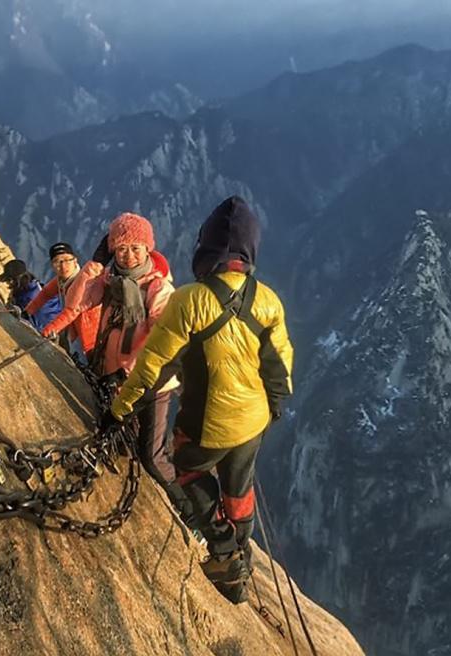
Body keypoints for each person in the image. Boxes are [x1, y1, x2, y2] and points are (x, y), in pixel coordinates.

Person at [104, 196, 294, 604]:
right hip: (253, 420)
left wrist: (119, 411)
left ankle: (224, 555)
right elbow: (280, 363)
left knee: (188, 472)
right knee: (238, 486)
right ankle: (240, 549)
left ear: (206, 247)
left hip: (207, 423)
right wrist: (275, 405)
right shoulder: (268, 300)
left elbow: (153, 366)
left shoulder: (189, 300)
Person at [43, 213, 191, 520]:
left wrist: (129, 372)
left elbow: (164, 340)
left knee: (151, 456)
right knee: (125, 446)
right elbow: (76, 302)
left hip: (149, 385)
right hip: (112, 378)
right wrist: (95, 265)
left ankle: (186, 508)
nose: (129, 254)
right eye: (121, 248)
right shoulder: (108, 283)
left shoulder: (158, 290)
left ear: (149, 249)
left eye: (136, 247)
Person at [25, 242, 100, 362]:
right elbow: (45, 294)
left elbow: (71, 312)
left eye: (67, 260)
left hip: (96, 334)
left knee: (99, 363)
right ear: (52, 265)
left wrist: (47, 332)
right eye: (57, 261)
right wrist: (28, 311)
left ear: (75, 261)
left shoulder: (83, 282)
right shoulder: (62, 281)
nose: (63, 265)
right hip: (87, 332)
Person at [0, 259, 60, 331]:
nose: (7, 283)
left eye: (8, 280)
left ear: (15, 280)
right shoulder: (34, 285)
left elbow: (37, 324)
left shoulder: (28, 298)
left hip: (44, 331)